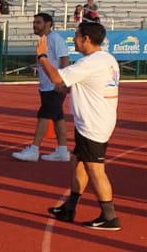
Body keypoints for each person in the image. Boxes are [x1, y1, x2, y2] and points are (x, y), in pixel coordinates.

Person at [37, 20, 121, 230]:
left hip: (94, 125)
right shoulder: (106, 59)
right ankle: (70, 207)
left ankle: (110, 217)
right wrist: (66, 89)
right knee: (79, 162)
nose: (73, 39)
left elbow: (56, 76)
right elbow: (87, 85)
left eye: (76, 36)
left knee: (95, 170)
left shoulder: (89, 63)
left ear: (86, 39)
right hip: (93, 122)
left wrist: (42, 56)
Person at [13, 12, 71, 163]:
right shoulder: (43, 40)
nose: (35, 25)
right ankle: (62, 150)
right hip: (46, 86)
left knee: (43, 115)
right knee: (58, 117)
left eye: (38, 22)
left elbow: (64, 58)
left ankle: (34, 150)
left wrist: (62, 82)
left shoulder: (55, 39)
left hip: (55, 86)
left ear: (48, 24)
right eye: (34, 22)